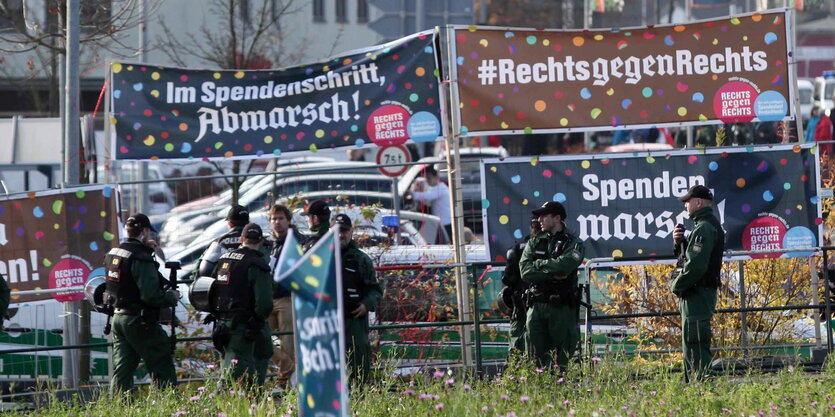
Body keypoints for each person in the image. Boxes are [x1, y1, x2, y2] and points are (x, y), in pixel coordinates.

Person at [104, 213, 179, 392]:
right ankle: (170, 405)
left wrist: (146, 250)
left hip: (118, 318)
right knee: (161, 364)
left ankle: (120, 407)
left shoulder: (114, 253)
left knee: (122, 369)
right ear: (144, 231)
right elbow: (150, 295)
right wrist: (172, 297)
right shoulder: (141, 258)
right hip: (140, 320)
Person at [519, 201, 585, 370]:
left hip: (561, 307)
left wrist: (539, 265)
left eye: (544, 215)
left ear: (557, 218)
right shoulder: (534, 242)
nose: (539, 219)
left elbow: (565, 266)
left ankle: (563, 395)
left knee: (562, 361)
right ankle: (538, 393)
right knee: (535, 361)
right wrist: (552, 271)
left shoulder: (573, 242)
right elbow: (525, 272)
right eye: (538, 216)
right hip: (536, 306)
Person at [671, 185, 724, 381]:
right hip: (698, 292)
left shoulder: (704, 227)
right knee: (693, 342)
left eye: (687, 201)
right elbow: (693, 259)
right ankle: (696, 384)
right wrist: (680, 244)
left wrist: (676, 285)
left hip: (697, 292)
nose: (685, 205)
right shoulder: (704, 225)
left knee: (695, 342)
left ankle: (698, 386)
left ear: (698, 202)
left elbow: (696, 267)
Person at [211, 223, 274, 386]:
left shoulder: (224, 260)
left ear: (241, 239)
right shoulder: (257, 265)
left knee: (236, 366)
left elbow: (211, 287)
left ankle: (250, 402)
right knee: (234, 374)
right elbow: (265, 304)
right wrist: (257, 321)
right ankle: (218, 408)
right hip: (245, 326)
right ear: (260, 242)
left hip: (222, 325)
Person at [335, 213, 383, 384]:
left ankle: (360, 404)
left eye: (345, 231)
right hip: (328, 322)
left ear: (351, 232)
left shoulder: (361, 259)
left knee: (358, 368)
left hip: (354, 321)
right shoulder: (321, 258)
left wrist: (365, 305)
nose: (341, 234)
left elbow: (374, 291)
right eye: (338, 230)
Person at [266, 204, 305, 389]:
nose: (277, 222)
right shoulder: (270, 244)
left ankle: (282, 384)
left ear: (288, 221)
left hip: (288, 297)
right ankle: (287, 366)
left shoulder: (296, 241)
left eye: (281, 218)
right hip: (270, 298)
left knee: (287, 341)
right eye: (274, 219)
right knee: (260, 336)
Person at [500, 217, 541, 355]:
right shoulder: (552, 247)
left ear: (531, 228)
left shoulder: (517, 249)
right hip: (543, 305)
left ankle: (516, 372)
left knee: (517, 347)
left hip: (521, 304)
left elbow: (508, 279)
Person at [196, 204, 250, 278]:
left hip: (224, 285)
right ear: (248, 223)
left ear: (230, 224)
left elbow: (200, 269)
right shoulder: (258, 240)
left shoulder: (218, 242)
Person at [410, 166, 451, 238]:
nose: (427, 180)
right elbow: (427, 200)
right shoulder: (437, 188)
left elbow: (426, 196)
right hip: (442, 221)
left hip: (445, 222)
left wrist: (411, 193)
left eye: (429, 178)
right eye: (426, 178)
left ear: (436, 177)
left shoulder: (440, 188)